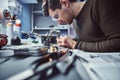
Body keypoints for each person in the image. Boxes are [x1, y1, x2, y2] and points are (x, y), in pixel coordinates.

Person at [42, 0, 120, 52]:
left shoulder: (100, 4)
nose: (58, 23)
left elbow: (117, 42)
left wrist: (75, 44)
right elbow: (90, 41)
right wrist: (69, 42)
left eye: (56, 16)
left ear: (64, 3)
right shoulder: (74, 21)